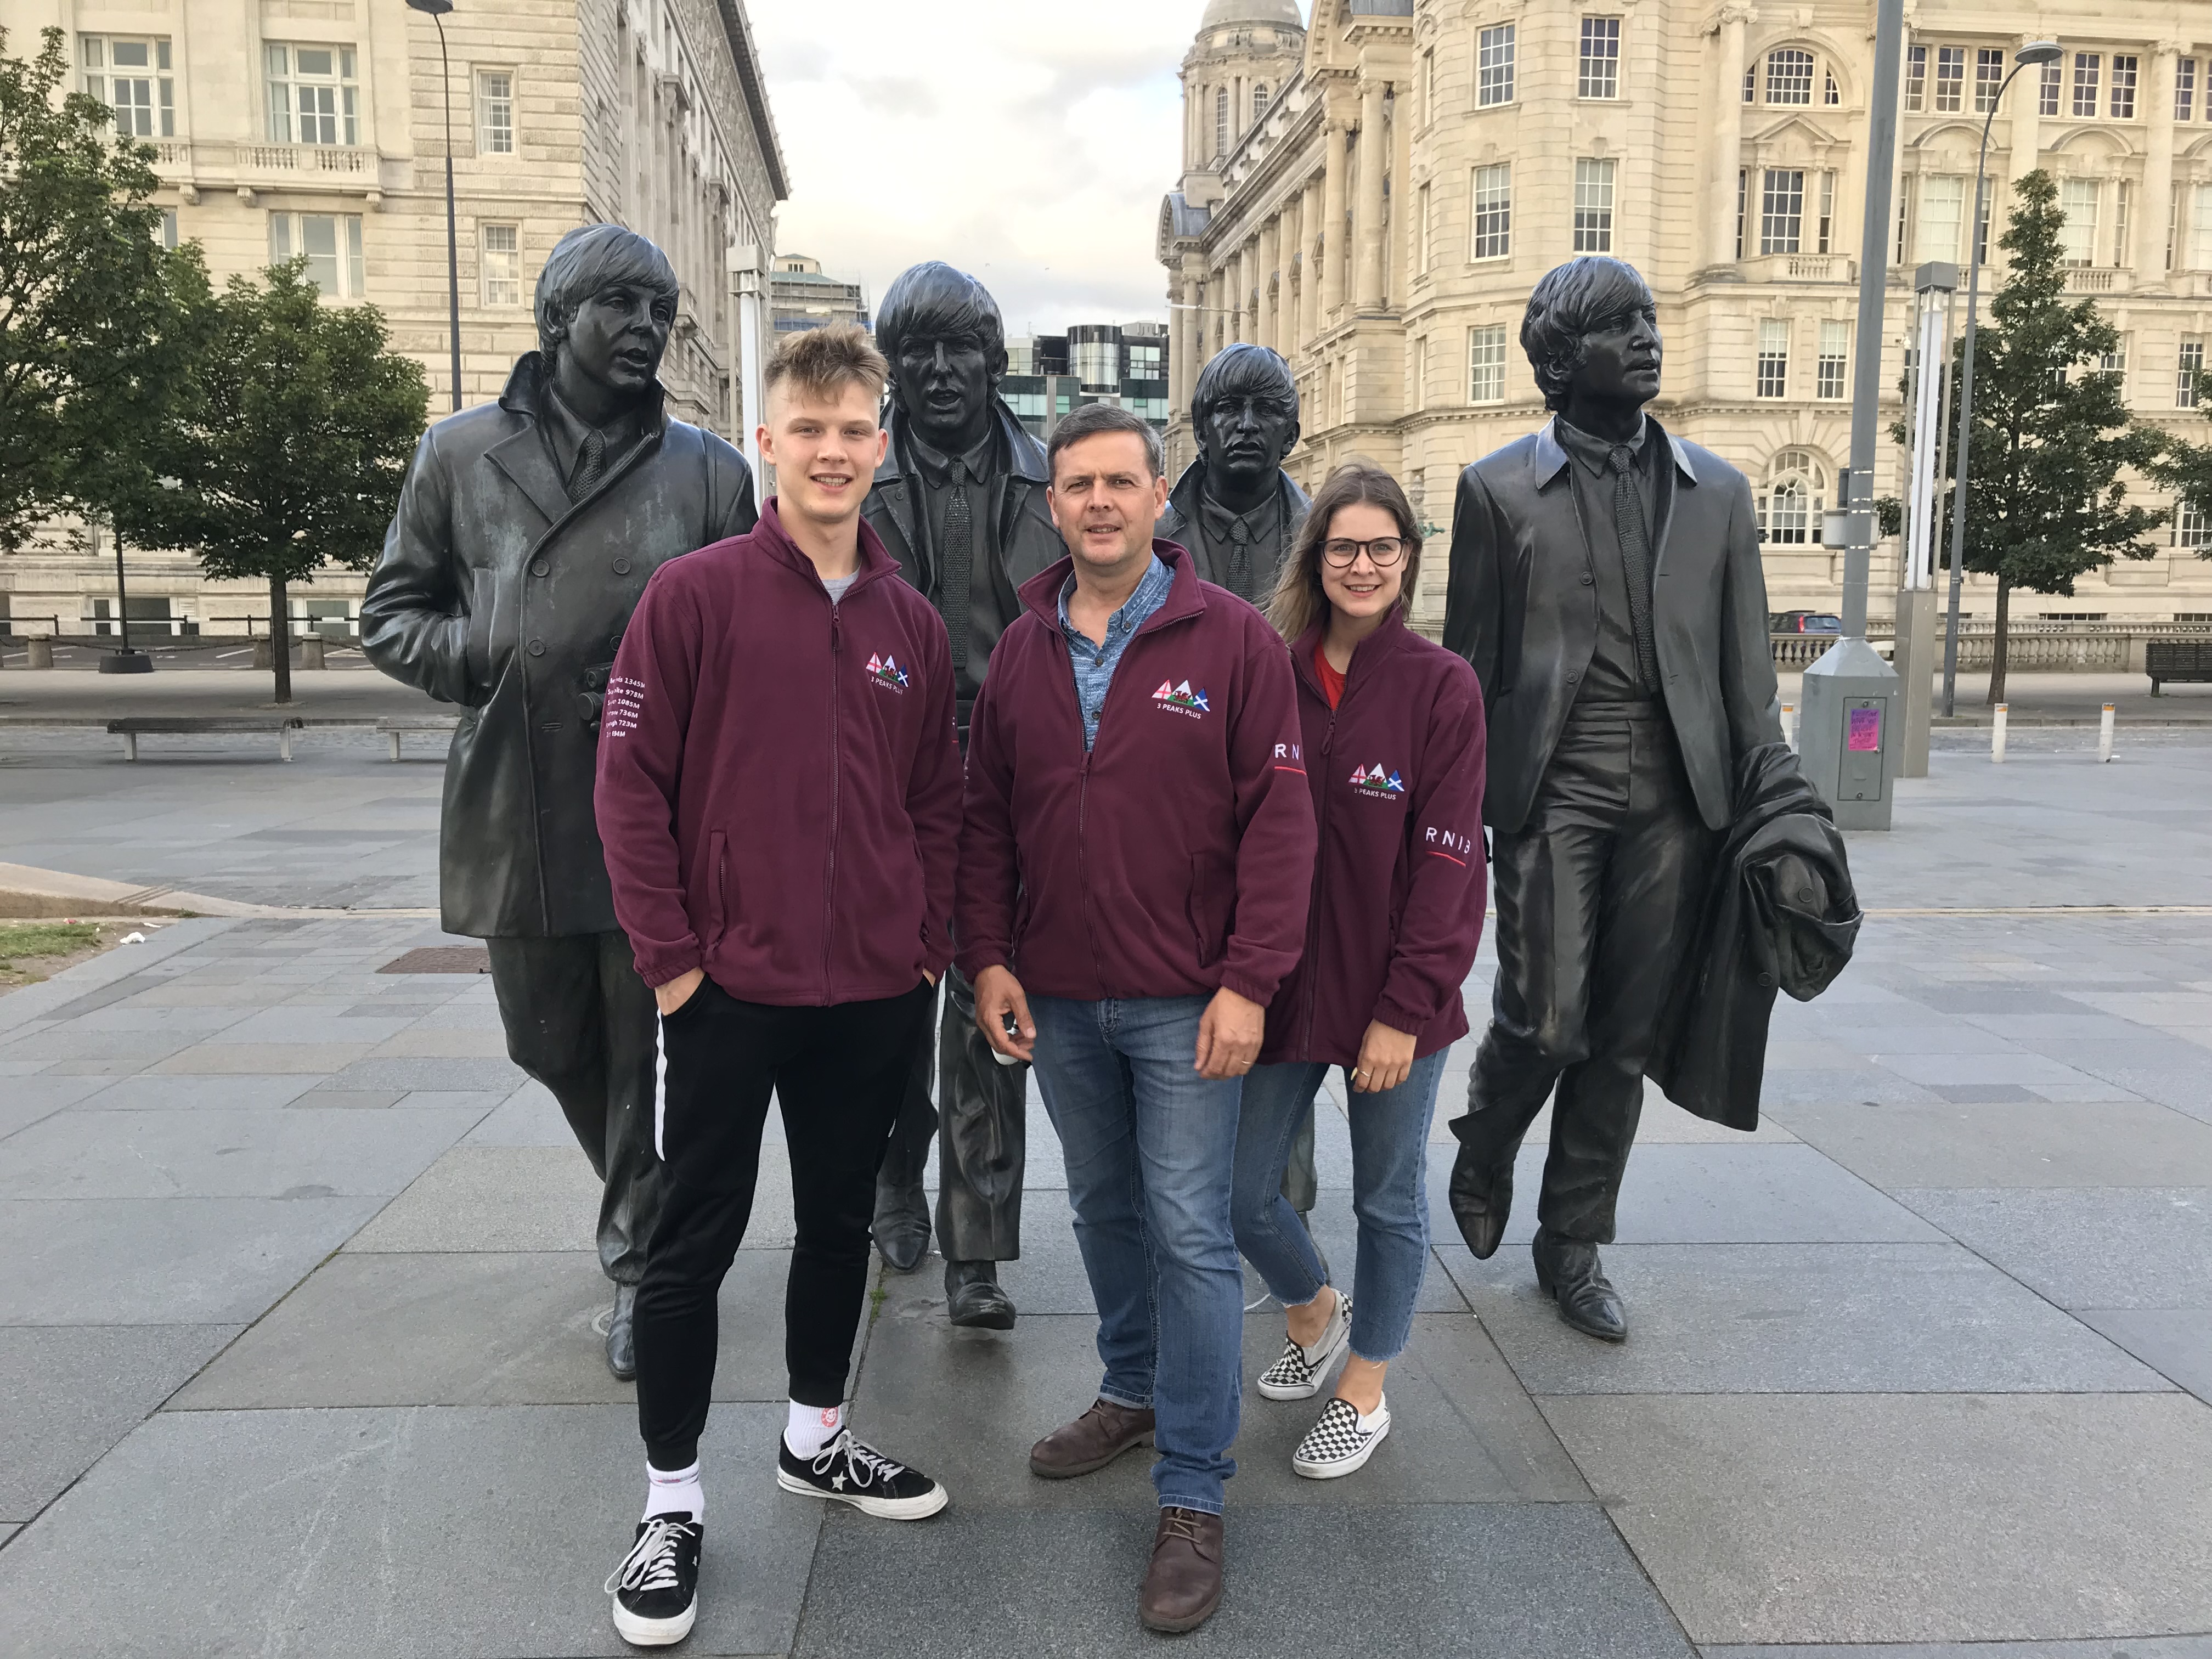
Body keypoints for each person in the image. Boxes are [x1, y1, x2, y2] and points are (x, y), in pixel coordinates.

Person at [592, 324, 957, 1648]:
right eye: (808, 429)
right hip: (729, 990)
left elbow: (937, 800)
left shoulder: (910, 621)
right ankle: (671, 1501)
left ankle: (817, 1436)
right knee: (692, 1245)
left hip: (871, 990)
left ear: (880, 444)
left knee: (840, 1230)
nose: (833, 451)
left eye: (855, 429)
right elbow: (628, 788)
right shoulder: (691, 599)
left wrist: (925, 945)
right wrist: (676, 965)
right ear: (768, 441)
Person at [362, 223, 758, 1380]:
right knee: (544, 1041)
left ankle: (641, 1266)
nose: (645, 330)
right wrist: (487, 649)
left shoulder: (707, 470)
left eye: (659, 311)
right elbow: (390, 612)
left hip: (652, 806)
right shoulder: (458, 453)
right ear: (557, 319)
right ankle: (659, 1206)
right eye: (620, 306)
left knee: (641, 1052)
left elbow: (745, 636)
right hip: (517, 792)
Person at [958, 402, 1316, 1635]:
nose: (1100, 502)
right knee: (1103, 1209)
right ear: (1051, 505)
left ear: (1160, 498)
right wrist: (989, 962)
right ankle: (1133, 1387)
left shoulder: (1232, 642)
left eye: (1122, 482)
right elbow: (987, 821)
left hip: (1186, 1002)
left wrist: (1250, 981)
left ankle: (1195, 1491)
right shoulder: (1021, 649)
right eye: (1077, 486)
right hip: (1056, 991)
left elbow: (1281, 825)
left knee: (1191, 1232)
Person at [1440, 256, 1786, 1342]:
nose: (1646, 338)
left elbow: (1747, 675)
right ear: (1560, 356)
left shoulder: (1719, 494)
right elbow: (1469, 669)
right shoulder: (1496, 489)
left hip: (1680, 791)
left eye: (1649, 319)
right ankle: (1488, 1139)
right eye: (1617, 325)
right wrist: (1454, 821)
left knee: (1625, 1032)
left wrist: (1778, 807)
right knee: (1543, 1016)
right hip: (1552, 781)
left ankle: (1574, 1238)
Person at [1231, 462, 1487, 1479]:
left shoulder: (1441, 687)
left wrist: (1404, 1010)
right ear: (1316, 557)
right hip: (1285, 987)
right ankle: (1314, 1308)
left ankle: (1366, 1385)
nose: (1364, 564)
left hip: (1395, 1003)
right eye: (1345, 546)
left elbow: (1451, 862)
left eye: (1384, 547)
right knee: (1241, 1193)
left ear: (1409, 561)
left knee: (1387, 1198)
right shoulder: (1269, 671)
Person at [861, 262, 1065, 1328]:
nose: (942, 371)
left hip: (1014, 786)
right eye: (919, 350)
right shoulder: (853, 480)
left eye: (962, 349)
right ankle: (895, 1179)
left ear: (997, 360)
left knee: (995, 1012)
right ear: (890, 365)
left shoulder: (1054, 480)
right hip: (888, 791)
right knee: (890, 1018)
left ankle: (975, 1250)